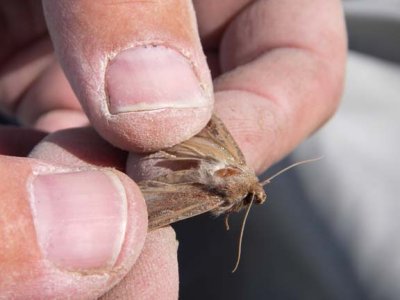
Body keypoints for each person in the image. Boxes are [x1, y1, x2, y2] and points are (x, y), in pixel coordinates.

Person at [0, 1, 346, 298]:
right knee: (135, 220)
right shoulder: (217, 191)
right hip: (171, 141)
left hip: (196, 143)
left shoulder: (232, 162)